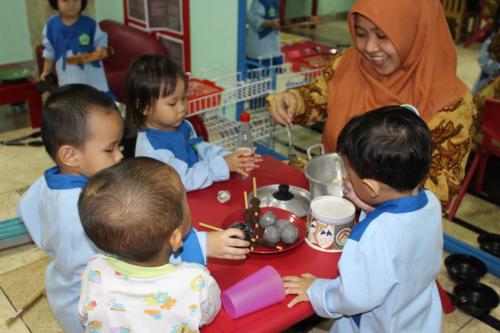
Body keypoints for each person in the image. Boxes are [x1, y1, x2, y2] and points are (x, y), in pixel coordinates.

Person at [267, 0, 476, 206]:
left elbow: (438, 192)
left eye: (383, 35)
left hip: (394, 224)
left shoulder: (450, 103)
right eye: (361, 34)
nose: (369, 47)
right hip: (329, 200)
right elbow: (317, 98)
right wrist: (295, 101)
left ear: (415, 30)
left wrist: (362, 193)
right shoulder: (347, 64)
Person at [283, 106, 443, 333]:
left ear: (371, 186)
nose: (347, 177)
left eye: (349, 173)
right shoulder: (431, 202)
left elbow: (353, 298)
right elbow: (402, 240)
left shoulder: (371, 237)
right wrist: (371, 208)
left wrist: (317, 290)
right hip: (415, 318)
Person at [17, 84, 124, 333]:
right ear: (70, 155)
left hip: (60, 284)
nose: (119, 156)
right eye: (110, 149)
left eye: (119, 146)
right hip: (85, 304)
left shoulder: (48, 180)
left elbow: (26, 208)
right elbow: (106, 260)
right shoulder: (77, 214)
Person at [78, 157, 221, 332]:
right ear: (175, 239)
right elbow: (208, 314)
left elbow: (85, 316)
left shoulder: (94, 271)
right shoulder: (196, 281)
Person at [128, 55, 262, 191]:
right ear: (144, 107)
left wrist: (227, 156)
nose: (182, 108)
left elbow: (199, 148)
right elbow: (183, 180)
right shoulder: (151, 151)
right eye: (172, 103)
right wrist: (223, 165)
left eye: (184, 98)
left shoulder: (183, 125)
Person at [41, 0, 114, 99]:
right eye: (65, 0)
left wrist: (100, 50)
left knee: (99, 102)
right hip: (68, 77)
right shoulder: (50, 26)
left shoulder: (90, 23)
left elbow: (101, 42)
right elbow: (49, 52)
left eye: (75, 0)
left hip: (93, 77)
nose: (71, 4)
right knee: (74, 103)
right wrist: (46, 71)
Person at [246, 0, 283, 67]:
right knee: (259, 74)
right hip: (261, 47)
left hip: (274, 46)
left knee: (275, 72)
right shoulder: (259, 2)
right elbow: (252, 19)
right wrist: (270, 23)